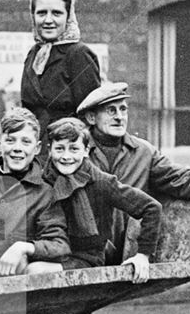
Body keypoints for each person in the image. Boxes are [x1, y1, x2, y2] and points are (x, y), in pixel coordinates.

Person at [76, 81, 190, 258]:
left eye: (123, 109)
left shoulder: (143, 152)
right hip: (87, 253)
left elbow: (179, 177)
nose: (119, 117)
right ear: (92, 118)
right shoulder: (76, 151)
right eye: (111, 111)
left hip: (128, 253)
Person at [43, 117, 161, 283]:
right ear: (49, 150)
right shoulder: (44, 180)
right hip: (51, 252)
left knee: (34, 271)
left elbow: (151, 207)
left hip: (87, 259)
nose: (66, 156)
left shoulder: (101, 182)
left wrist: (142, 255)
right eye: (60, 149)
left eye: (74, 149)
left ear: (85, 151)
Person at [0, 108, 69, 277]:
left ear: (37, 148)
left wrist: (25, 247)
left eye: (26, 142)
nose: (17, 148)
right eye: (10, 140)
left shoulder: (44, 194)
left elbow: (59, 244)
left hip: (10, 287)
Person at [21, 0, 101, 135]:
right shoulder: (34, 54)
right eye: (41, 13)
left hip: (67, 151)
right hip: (34, 151)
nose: (48, 20)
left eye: (57, 13)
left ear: (68, 16)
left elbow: (90, 117)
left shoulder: (78, 54)